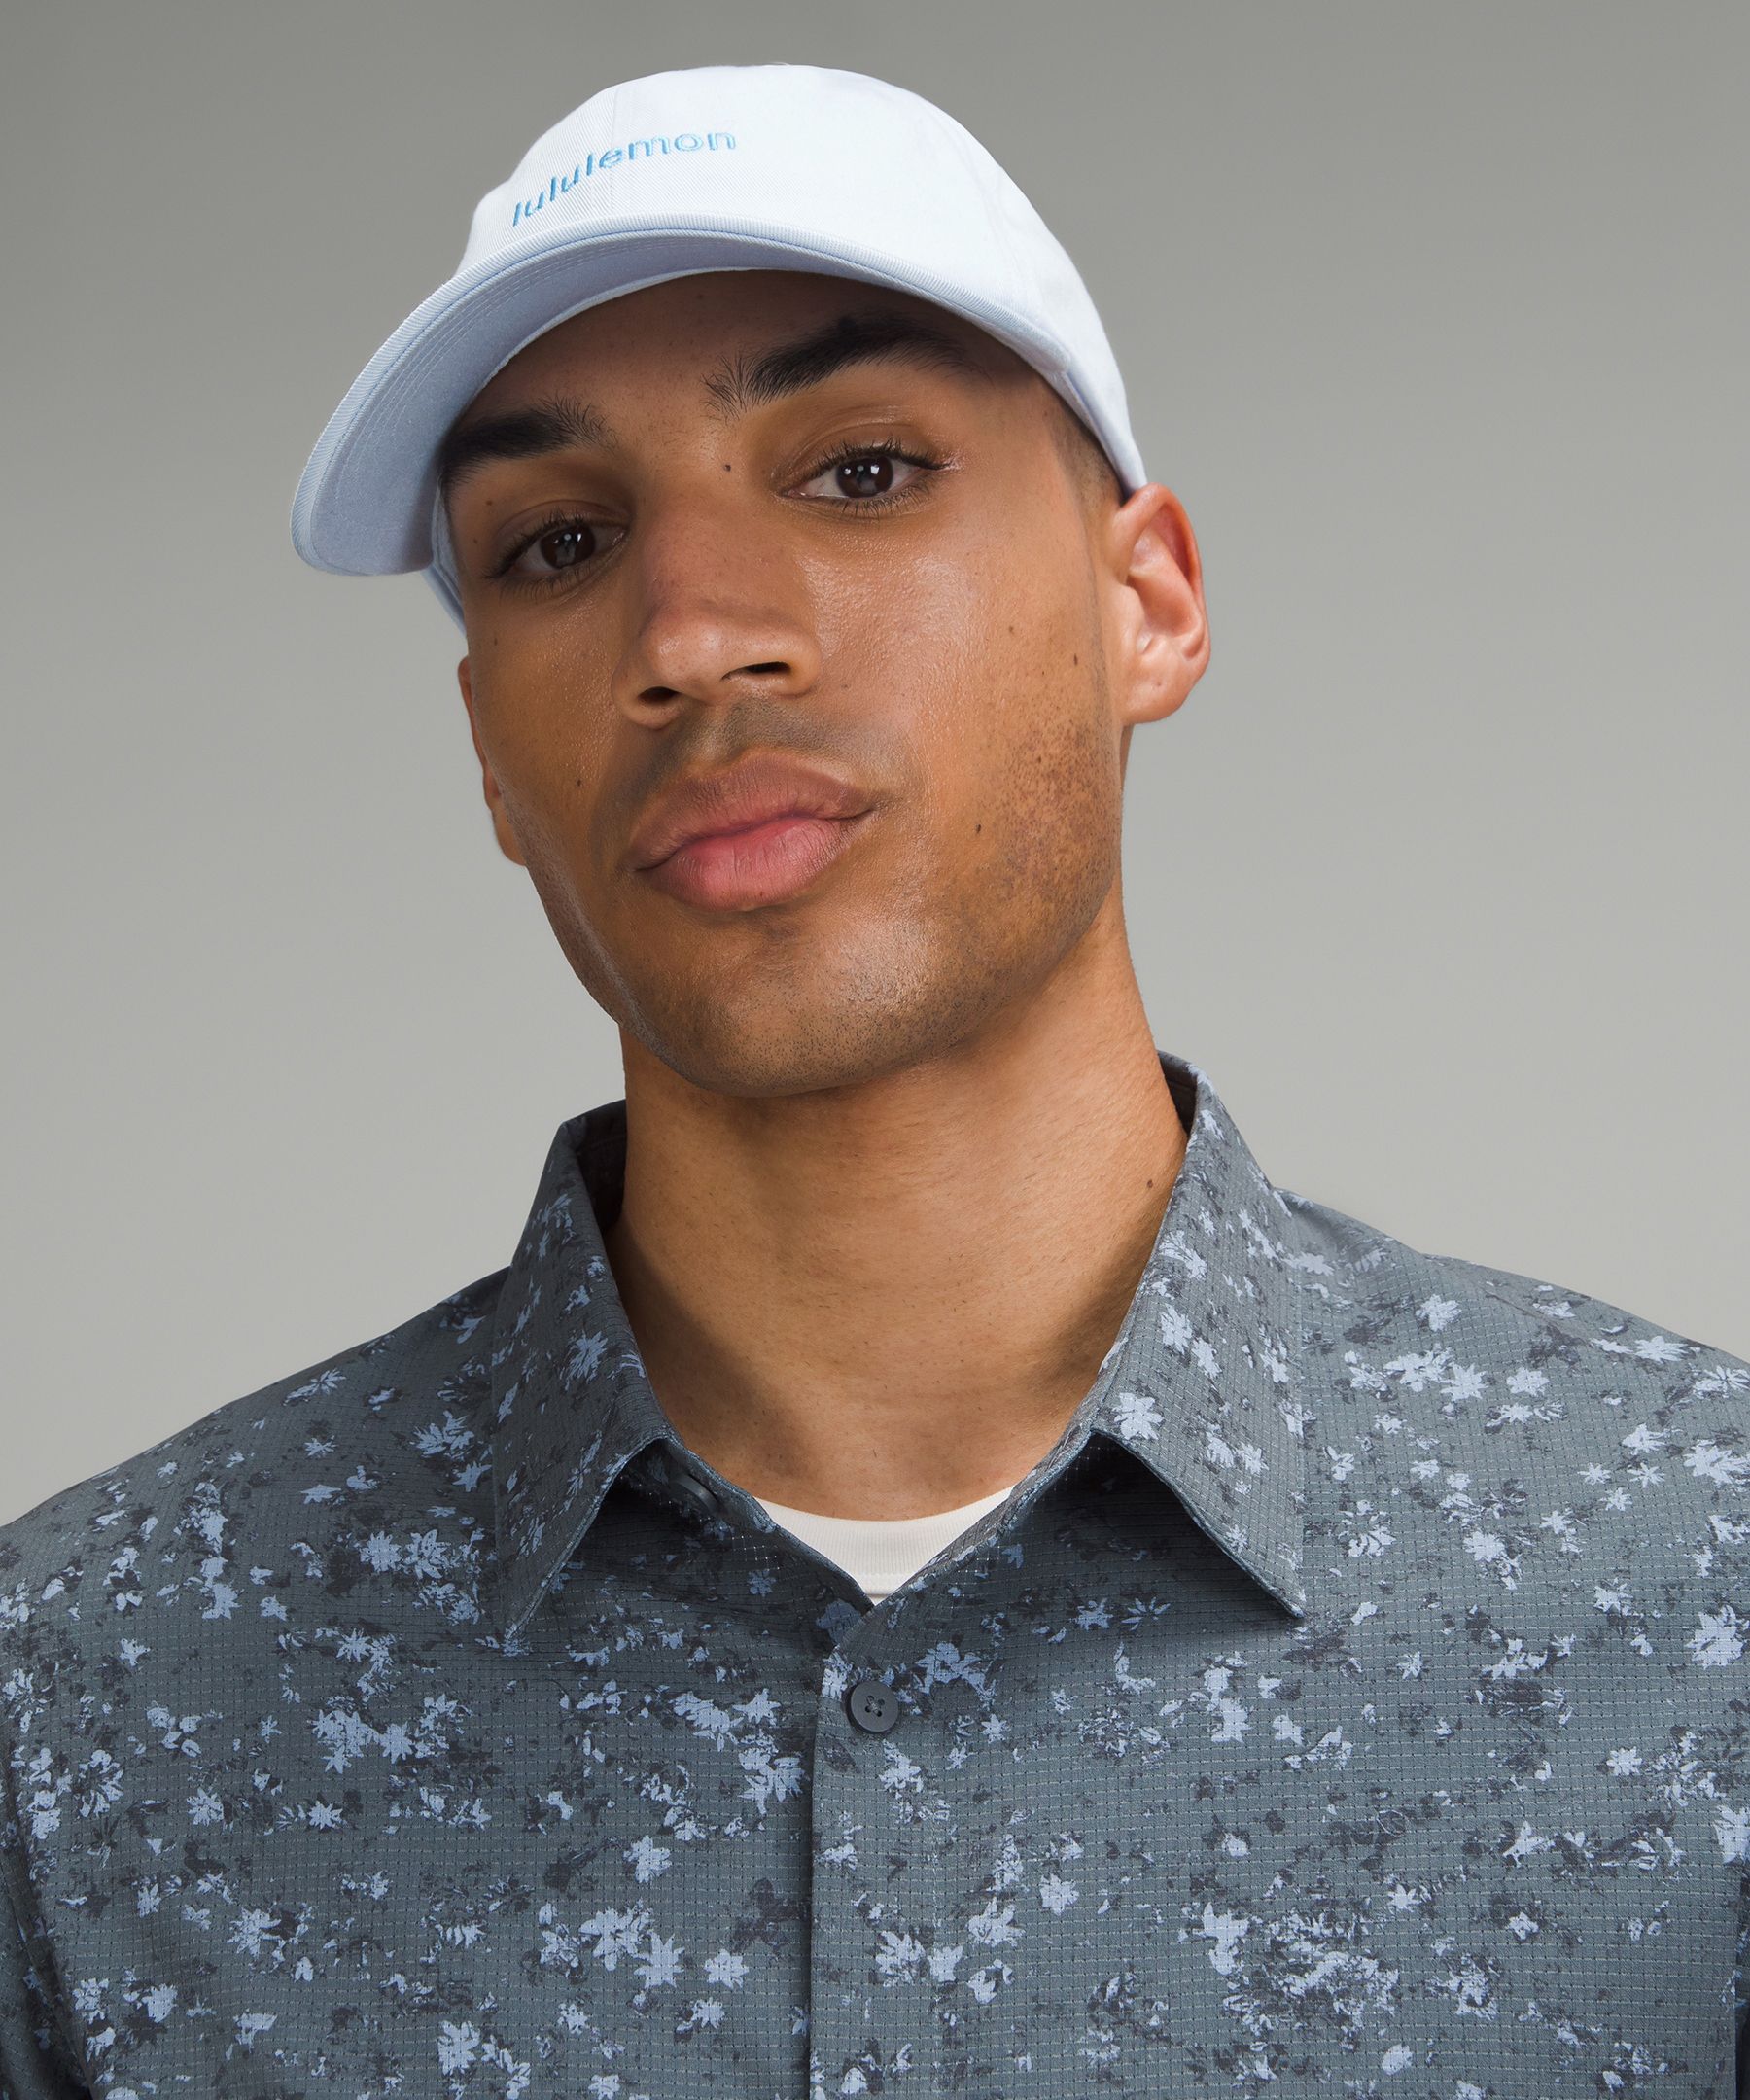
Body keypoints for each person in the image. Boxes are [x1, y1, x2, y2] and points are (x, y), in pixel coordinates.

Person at [2, 61, 1745, 2100]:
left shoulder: (1698, 1605)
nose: (694, 635)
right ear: (487, 752)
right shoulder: (91, 1711)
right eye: (560, 541)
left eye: (858, 471)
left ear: (1147, 603)